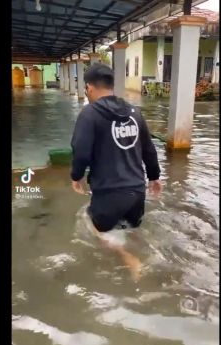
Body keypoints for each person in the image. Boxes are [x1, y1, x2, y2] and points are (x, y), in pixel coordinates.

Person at [70, 63, 162, 281]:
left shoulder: (89, 114)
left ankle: (128, 257)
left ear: (90, 88)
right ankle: (148, 256)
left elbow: (80, 151)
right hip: (137, 193)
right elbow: (148, 149)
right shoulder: (134, 112)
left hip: (109, 193)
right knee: (133, 230)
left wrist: (76, 176)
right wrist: (154, 176)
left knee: (94, 227)